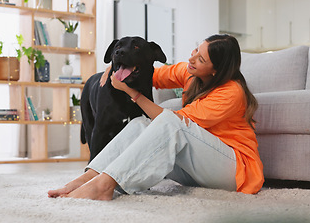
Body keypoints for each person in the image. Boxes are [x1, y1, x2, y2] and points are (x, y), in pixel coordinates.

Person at [48, 34, 264, 200]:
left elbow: (174, 123)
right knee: (140, 122)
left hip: (234, 171)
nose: (191, 58)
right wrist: (115, 66)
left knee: (170, 122)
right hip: (197, 167)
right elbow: (148, 72)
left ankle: (104, 186)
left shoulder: (231, 92)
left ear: (216, 70)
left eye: (200, 58)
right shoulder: (190, 73)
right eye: (195, 50)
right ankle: (89, 176)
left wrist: (132, 93)